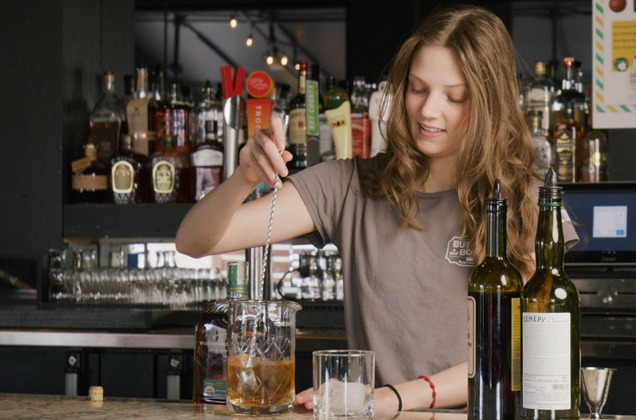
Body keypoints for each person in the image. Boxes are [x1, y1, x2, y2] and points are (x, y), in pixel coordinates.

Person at [175, 4, 578, 415]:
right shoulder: (350, 185)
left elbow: (527, 347)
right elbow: (194, 241)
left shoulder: (523, 200)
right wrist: (243, 177)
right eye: (417, 89)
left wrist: (394, 397)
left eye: (454, 97)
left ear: (489, 105)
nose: (428, 110)